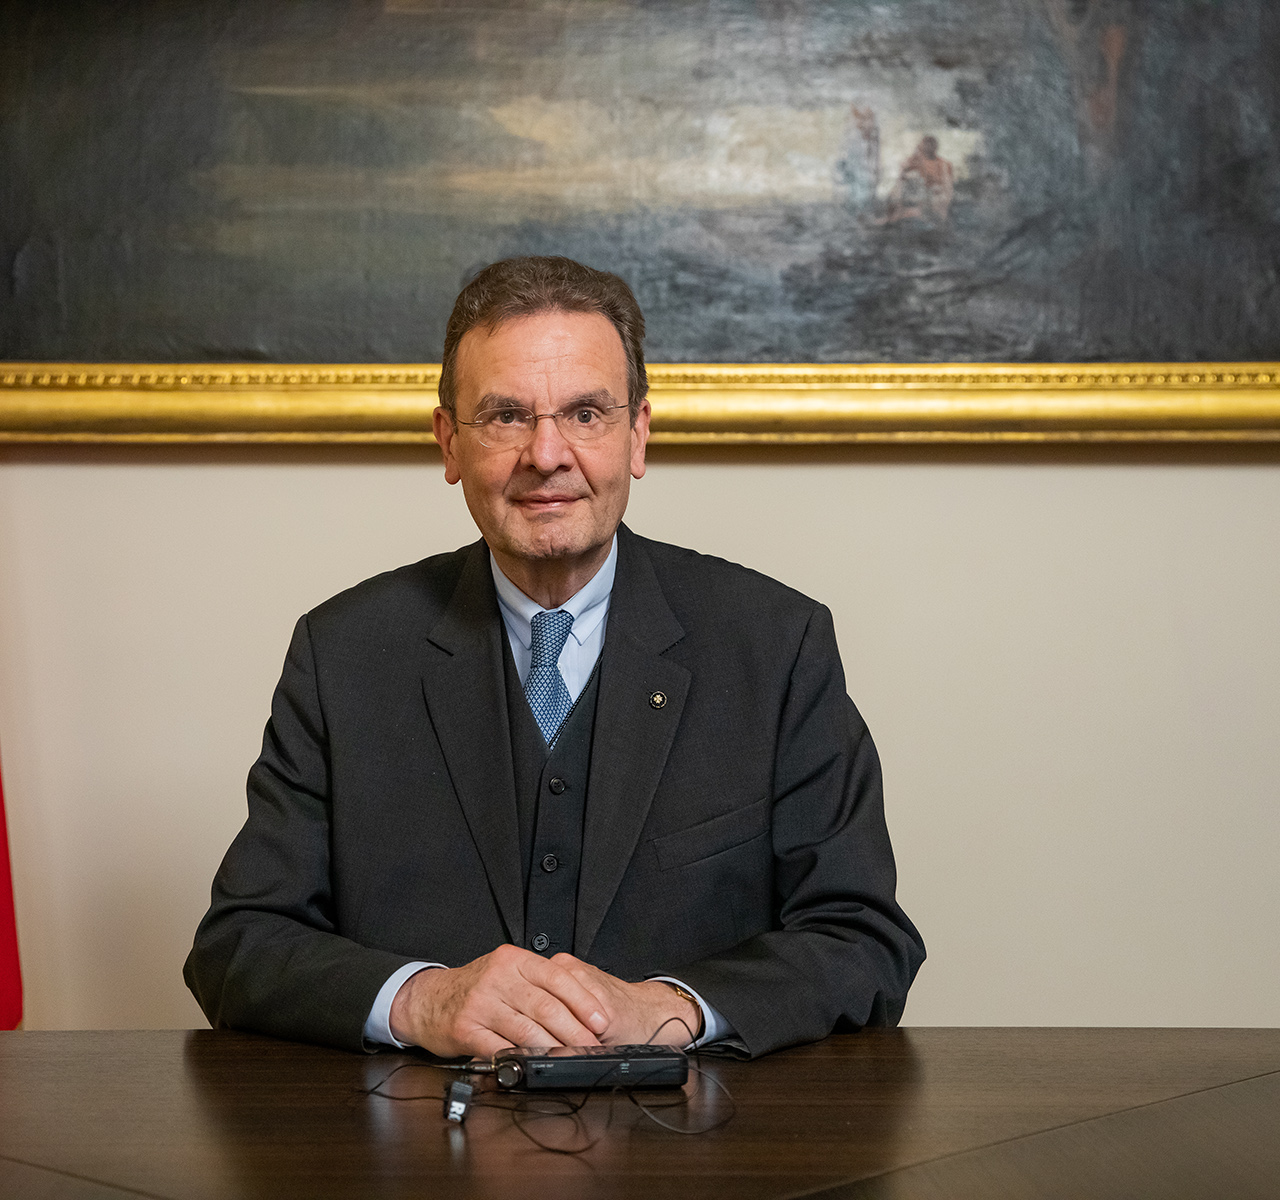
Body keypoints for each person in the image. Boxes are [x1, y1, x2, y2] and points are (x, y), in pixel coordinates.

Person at [184, 256, 924, 1059]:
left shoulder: (777, 646)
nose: (546, 453)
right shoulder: (344, 655)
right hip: (419, 1159)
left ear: (638, 434)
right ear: (449, 444)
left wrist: (667, 1011)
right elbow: (238, 946)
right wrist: (423, 1001)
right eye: (505, 416)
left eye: (585, 413)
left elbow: (863, 941)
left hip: (702, 1156)